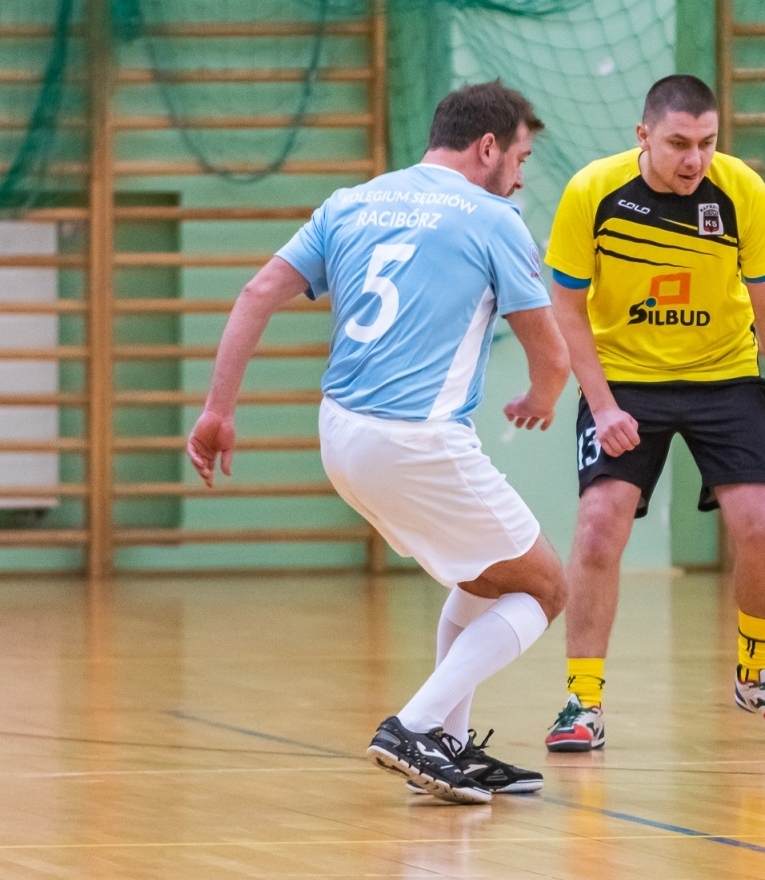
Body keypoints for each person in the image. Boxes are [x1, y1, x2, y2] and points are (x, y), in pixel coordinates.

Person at [187, 81, 571, 805]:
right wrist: (540, 399)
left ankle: (448, 748)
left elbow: (256, 292)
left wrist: (218, 411)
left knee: (480, 576)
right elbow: (552, 357)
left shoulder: (350, 202)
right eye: (519, 157)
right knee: (546, 588)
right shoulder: (494, 218)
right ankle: (417, 726)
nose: (520, 176)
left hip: (340, 434)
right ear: (488, 148)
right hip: (416, 441)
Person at [541, 74, 765, 752]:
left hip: (724, 378)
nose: (695, 159)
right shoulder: (592, 193)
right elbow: (566, 312)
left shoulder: (741, 191)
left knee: (764, 525)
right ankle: (582, 701)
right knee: (600, 525)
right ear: (644, 137)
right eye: (678, 144)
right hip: (627, 380)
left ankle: (758, 672)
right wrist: (602, 408)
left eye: (707, 142)